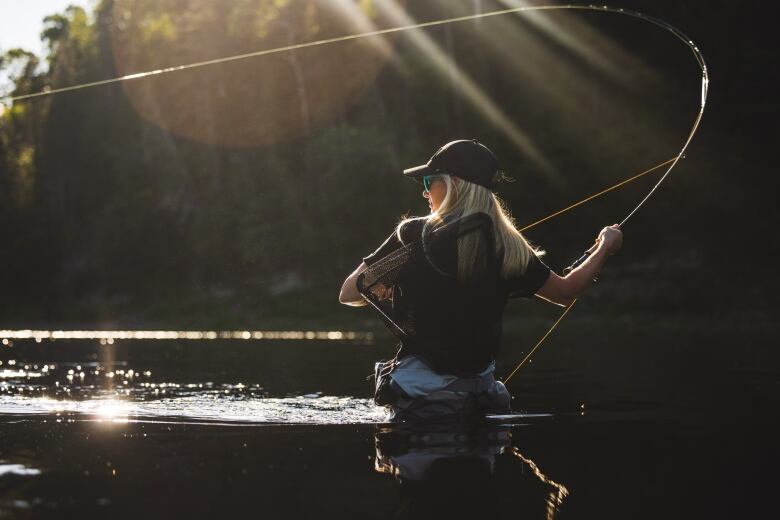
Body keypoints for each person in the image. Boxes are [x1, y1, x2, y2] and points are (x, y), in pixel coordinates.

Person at [339, 139, 623, 421]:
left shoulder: (413, 234)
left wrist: (389, 278)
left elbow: (349, 292)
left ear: (455, 183)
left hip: (418, 397)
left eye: (429, 181)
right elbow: (566, 292)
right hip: (477, 395)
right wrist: (605, 248)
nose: (425, 192)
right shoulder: (509, 248)